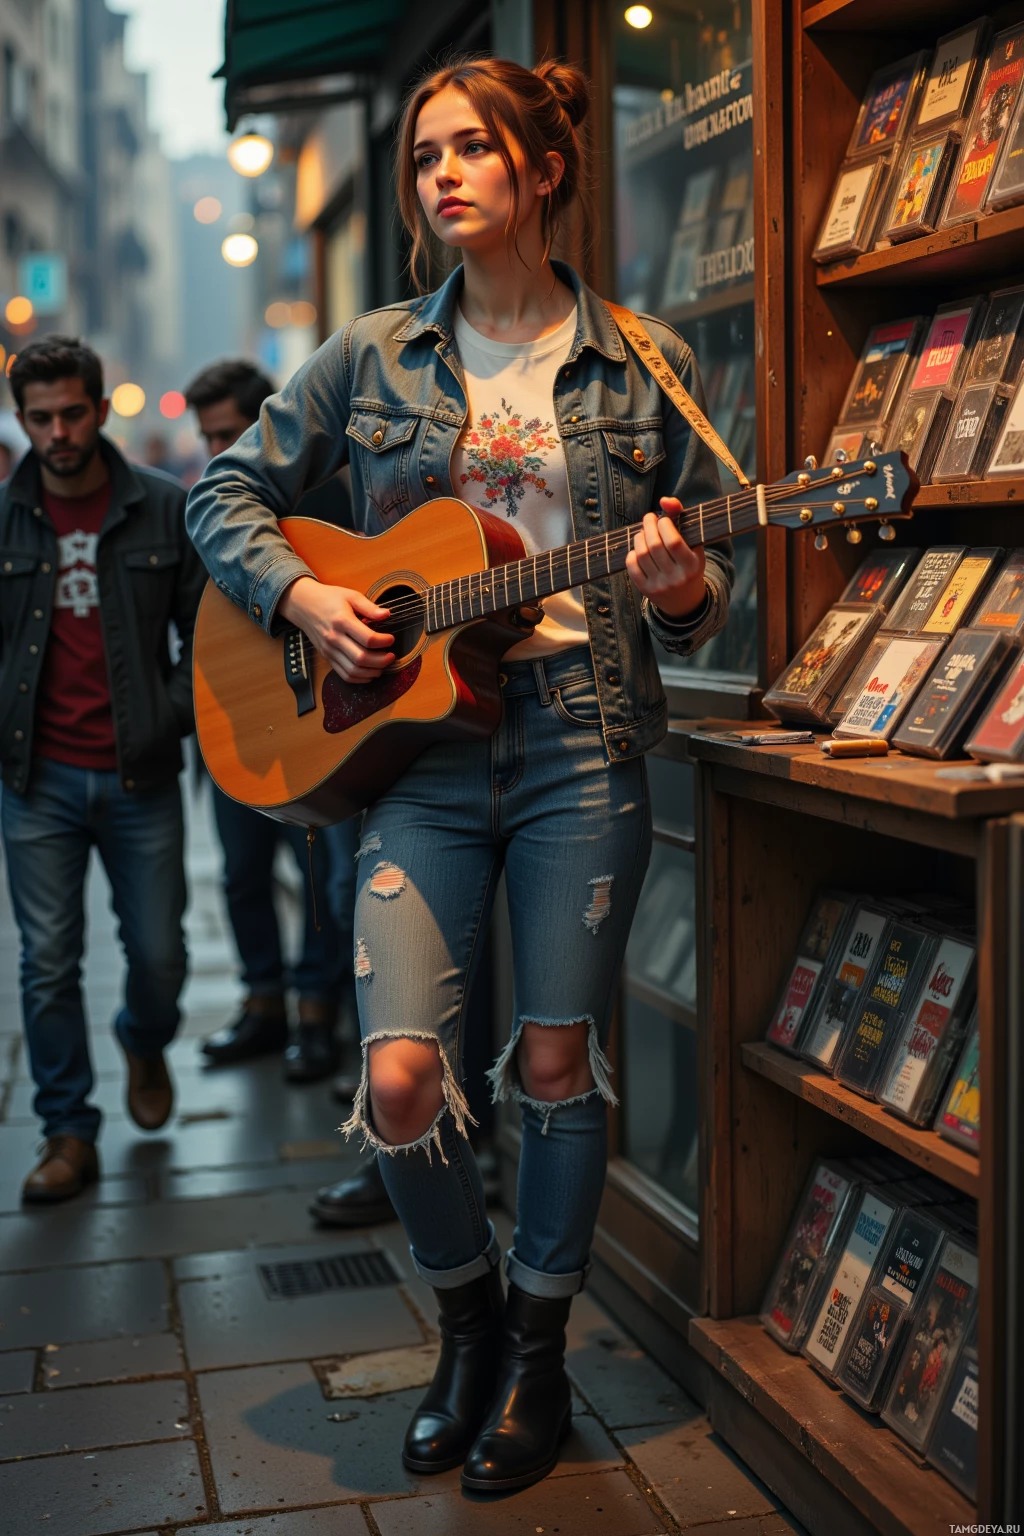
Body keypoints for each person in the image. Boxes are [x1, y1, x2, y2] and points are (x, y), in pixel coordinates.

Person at [186, 57, 732, 1493]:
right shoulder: (371, 356)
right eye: (424, 152)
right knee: (407, 1074)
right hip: (415, 757)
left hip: (576, 737)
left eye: (471, 149)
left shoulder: (645, 359)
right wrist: (305, 602)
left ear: (541, 168)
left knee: (551, 1063)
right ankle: (468, 1320)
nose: (439, 174)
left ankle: (539, 1357)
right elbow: (220, 494)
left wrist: (678, 588)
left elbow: (698, 589)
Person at [1, 336, 204, 1203]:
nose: (58, 433)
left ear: (101, 407)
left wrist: (166, 717)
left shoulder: (163, 510)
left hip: (139, 772)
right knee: (47, 961)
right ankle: (66, 1132)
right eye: (39, 418)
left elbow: (212, 643)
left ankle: (143, 1036)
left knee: (158, 955)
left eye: (71, 413)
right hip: (36, 779)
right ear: (21, 421)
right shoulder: (4, 520)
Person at [183, 359, 356, 1083]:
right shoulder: (215, 504)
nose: (220, 451)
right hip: (237, 712)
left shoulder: (331, 498)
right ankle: (263, 1007)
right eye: (208, 437)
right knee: (243, 872)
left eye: (232, 434)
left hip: (320, 720)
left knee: (321, 877)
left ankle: (317, 1017)